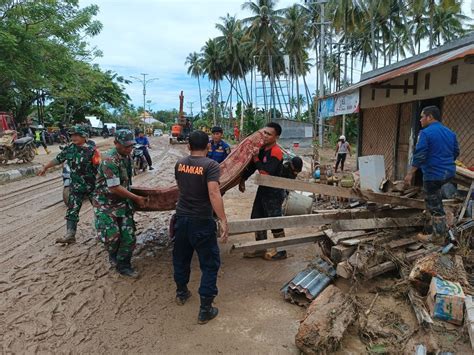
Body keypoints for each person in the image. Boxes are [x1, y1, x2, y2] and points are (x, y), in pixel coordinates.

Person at [173, 130, 228, 324]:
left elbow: (181, 187)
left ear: (188, 146)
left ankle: (181, 293)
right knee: (210, 263)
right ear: (209, 146)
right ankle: (205, 309)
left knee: (181, 257)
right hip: (201, 221)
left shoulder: (180, 164)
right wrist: (223, 219)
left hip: (181, 219)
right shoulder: (211, 165)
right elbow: (214, 193)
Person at [93, 129, 147, 278]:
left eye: (131, 146)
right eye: (126, 146)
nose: (129, 149)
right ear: (116, 143)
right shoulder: (109, 160)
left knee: (128, 236)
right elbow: (114, 187)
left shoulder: (127, 157)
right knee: (112, 236)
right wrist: (136, 198)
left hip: (123, 203)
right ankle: (113, 253)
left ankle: (124, 265)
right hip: (106, 204)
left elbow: (126, 183)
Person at [404, 106, 460, 243]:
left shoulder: (425, 133)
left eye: (422, 116)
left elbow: (420, 155)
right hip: (449, 173)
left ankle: (438, 237)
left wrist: (410, 174)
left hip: (433, 175)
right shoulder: (450, 133)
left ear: (430, 117)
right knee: (441, 201)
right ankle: (443, 230)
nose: (420, 120)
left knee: (434, 205)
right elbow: (456, 152)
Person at [38, 126, 100, 244]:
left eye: (77, 135)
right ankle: (70, 234)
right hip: (76, 186)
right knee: (72, 211)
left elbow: (100, 168)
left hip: (92, 187)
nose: (74, 137)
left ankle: (103, 233)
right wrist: (46, 167)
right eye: (72, 135)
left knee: (100, 210)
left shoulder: (92, 151)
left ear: (84, 136)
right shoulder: (69, 149)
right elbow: (58, 159)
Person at [239, 122, 287, 260]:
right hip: (263, 189)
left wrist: (255, 157)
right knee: (257, 217)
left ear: (276, 137)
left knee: (274, 220)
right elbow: (254, 166)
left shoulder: (276, 152)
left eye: (269, 134)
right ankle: (260, 248)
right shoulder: (262, 149)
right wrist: (243, 179)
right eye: (264, 133)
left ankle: (281, 251)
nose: (265, 136)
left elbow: (265, 172)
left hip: (274, 191)